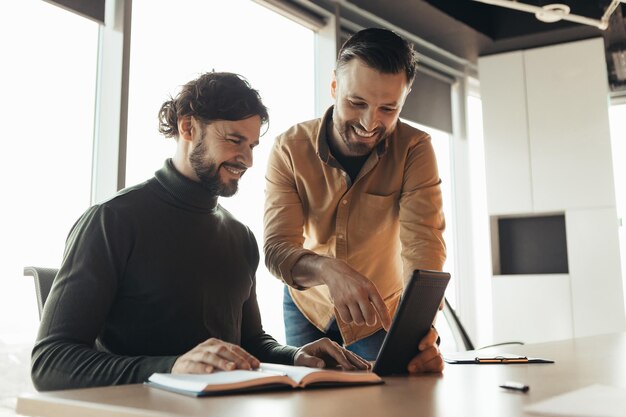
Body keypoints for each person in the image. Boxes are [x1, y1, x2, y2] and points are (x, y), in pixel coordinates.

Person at [31, 72, 370, 392]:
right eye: (235, 140)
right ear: (188, 127)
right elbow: (50, 363)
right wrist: (172, 367)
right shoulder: (111, 221)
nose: (247, 160)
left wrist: (296, 356)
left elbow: (250, 344)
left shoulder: (240, 237)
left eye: (252, 145)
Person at [264, 28, 446, 372]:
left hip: (382, 315)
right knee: (311, 402)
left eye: (388, 108)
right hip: (309, 306)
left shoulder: (415, 149)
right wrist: (328, 270)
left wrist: (420, 327)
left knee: (392, 401)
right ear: (334, 87)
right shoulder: (289, 148)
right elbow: (276, 250)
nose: (369, 122)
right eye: (356, 103)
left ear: (404, 99)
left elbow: (424, 244)